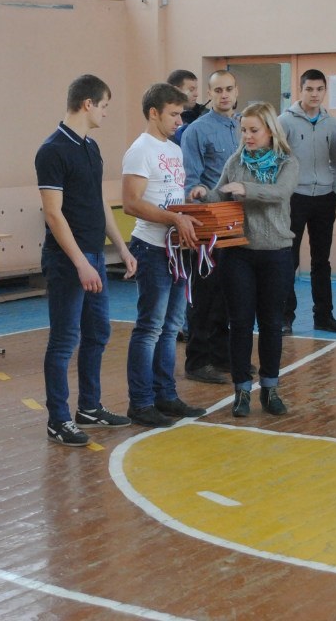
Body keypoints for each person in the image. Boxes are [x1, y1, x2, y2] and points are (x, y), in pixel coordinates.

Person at [35, 75, 139, 446]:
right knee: (65, 339)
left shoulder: (91, 147)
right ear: (87, 104)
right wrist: (80, 262)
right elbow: (54, 214)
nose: (106, 113)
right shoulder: (52, 151)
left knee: (98, 333)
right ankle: (58, 419)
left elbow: (98, 202)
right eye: (104, 106)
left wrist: (121, 247)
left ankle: (90, 407)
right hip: (68, 261)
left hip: (93, 256)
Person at [197, 102, 298, 417]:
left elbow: (279, 193)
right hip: (238, 254)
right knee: (239, 323)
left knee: (271, 324)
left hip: (277, 254)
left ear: (270, 131)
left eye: (254, 130)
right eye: (244, 130)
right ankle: (241, 391)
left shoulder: (287, 162)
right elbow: (221, 193)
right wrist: (203, 194)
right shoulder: (235, 161)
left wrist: (246, 188)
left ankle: (270, 389)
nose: (247, 136)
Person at [122, 83, 206, 428]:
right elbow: (131, 203)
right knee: (150, 328)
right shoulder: (140, 150)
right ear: (153, 113)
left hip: (176, 248)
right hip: (152, 248)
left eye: (181, 114)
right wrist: (174, 219)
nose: (179, 121)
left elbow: (173, 196)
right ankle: (141, 402)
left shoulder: (174, 149)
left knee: (171, 327)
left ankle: (166, 395)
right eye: (173, 114)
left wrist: (190, 213)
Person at [180, 70, 240, 384]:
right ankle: (197, 361)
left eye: (229, 89)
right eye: (218, 90)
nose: (224, 95)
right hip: (208, 224)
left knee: (229, 294)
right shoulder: (196, 131)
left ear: (236, 91)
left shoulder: (244, 126)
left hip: (238, 222)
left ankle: (222, 356)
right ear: (209, 93)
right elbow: (191, 182)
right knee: (204, 294)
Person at [278, 69, 336, 334]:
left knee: (322, 261)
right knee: (289, 259)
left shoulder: (332, 123)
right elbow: (277, 160)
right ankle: (285, 317)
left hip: (325, 200)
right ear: (301, 90)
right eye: (309, 89)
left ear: (324, 91)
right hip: (295, 199)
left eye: (319, 89)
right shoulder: (284, 121)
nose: (315, 94)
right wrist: (285, 191)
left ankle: (324, 316)